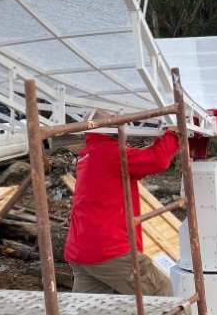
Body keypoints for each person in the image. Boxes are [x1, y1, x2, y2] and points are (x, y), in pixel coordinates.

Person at [64, 115, 179, 296]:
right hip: (109, 251)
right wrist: (173, 134)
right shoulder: (112, 153)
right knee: (160, 292)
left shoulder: (88, 153)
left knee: (89, 308)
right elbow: (157, 160)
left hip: (81, 251)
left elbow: (130, 171)